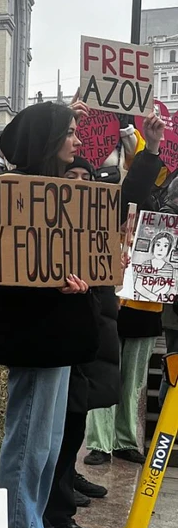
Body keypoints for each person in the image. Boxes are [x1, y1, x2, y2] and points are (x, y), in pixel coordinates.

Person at [0, 102, 99, 528]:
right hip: (35, 337)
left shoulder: (62, 194)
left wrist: (80, 280)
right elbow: (9, 272)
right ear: (48, 141)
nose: (77, 141)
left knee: (45, 449)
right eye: (69, 133)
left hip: (59, 338)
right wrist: (54, 283)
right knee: (27, 447)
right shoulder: (15, 196)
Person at [84, 112, 170, 467]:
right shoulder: (108, 200)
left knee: (133, 379)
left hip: (146, 302)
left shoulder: (160, 203)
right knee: (104, 370)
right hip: (111, 296)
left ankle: (123, 439)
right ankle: (99, 442)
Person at [42, 155, 116, 528]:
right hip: (61, 344)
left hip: (90, 344)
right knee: (53, 438)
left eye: (85, 178)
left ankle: (61, 511)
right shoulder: (48, 224)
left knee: (72, 433)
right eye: (69, 176)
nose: (78, 184)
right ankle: (48, 516)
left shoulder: (98, 227)